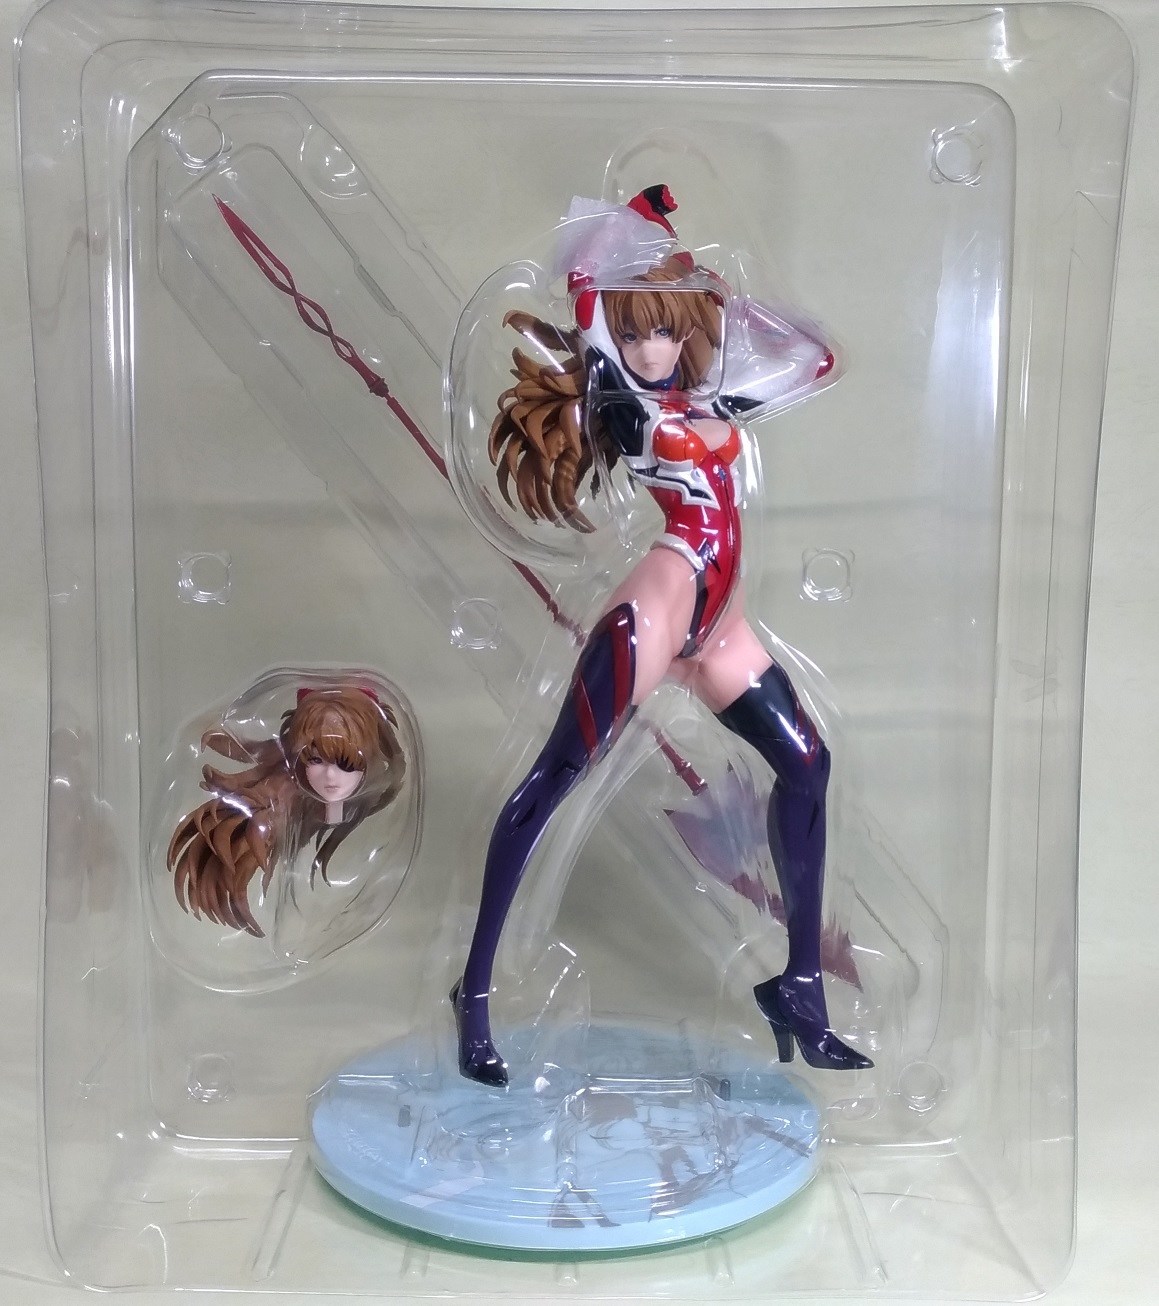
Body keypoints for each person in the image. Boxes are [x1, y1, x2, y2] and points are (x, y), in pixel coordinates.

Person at [452, 186, 871, 1084]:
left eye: (668, 332)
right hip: (663, 602)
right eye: (636, 333)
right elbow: (588, 298)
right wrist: (625, 247)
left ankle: (799, 986)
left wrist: (714, 295)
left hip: (721, 626)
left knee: (807, 764)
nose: (653, 349)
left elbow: (820, 360)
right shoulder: (629, 407)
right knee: (552, 780)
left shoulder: (714, 399)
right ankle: (474, 993)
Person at [169, 684, 405, 937]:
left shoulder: (368, 796)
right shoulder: (284, 795)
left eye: (347, 764)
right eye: (316, 760)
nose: (330, 776)